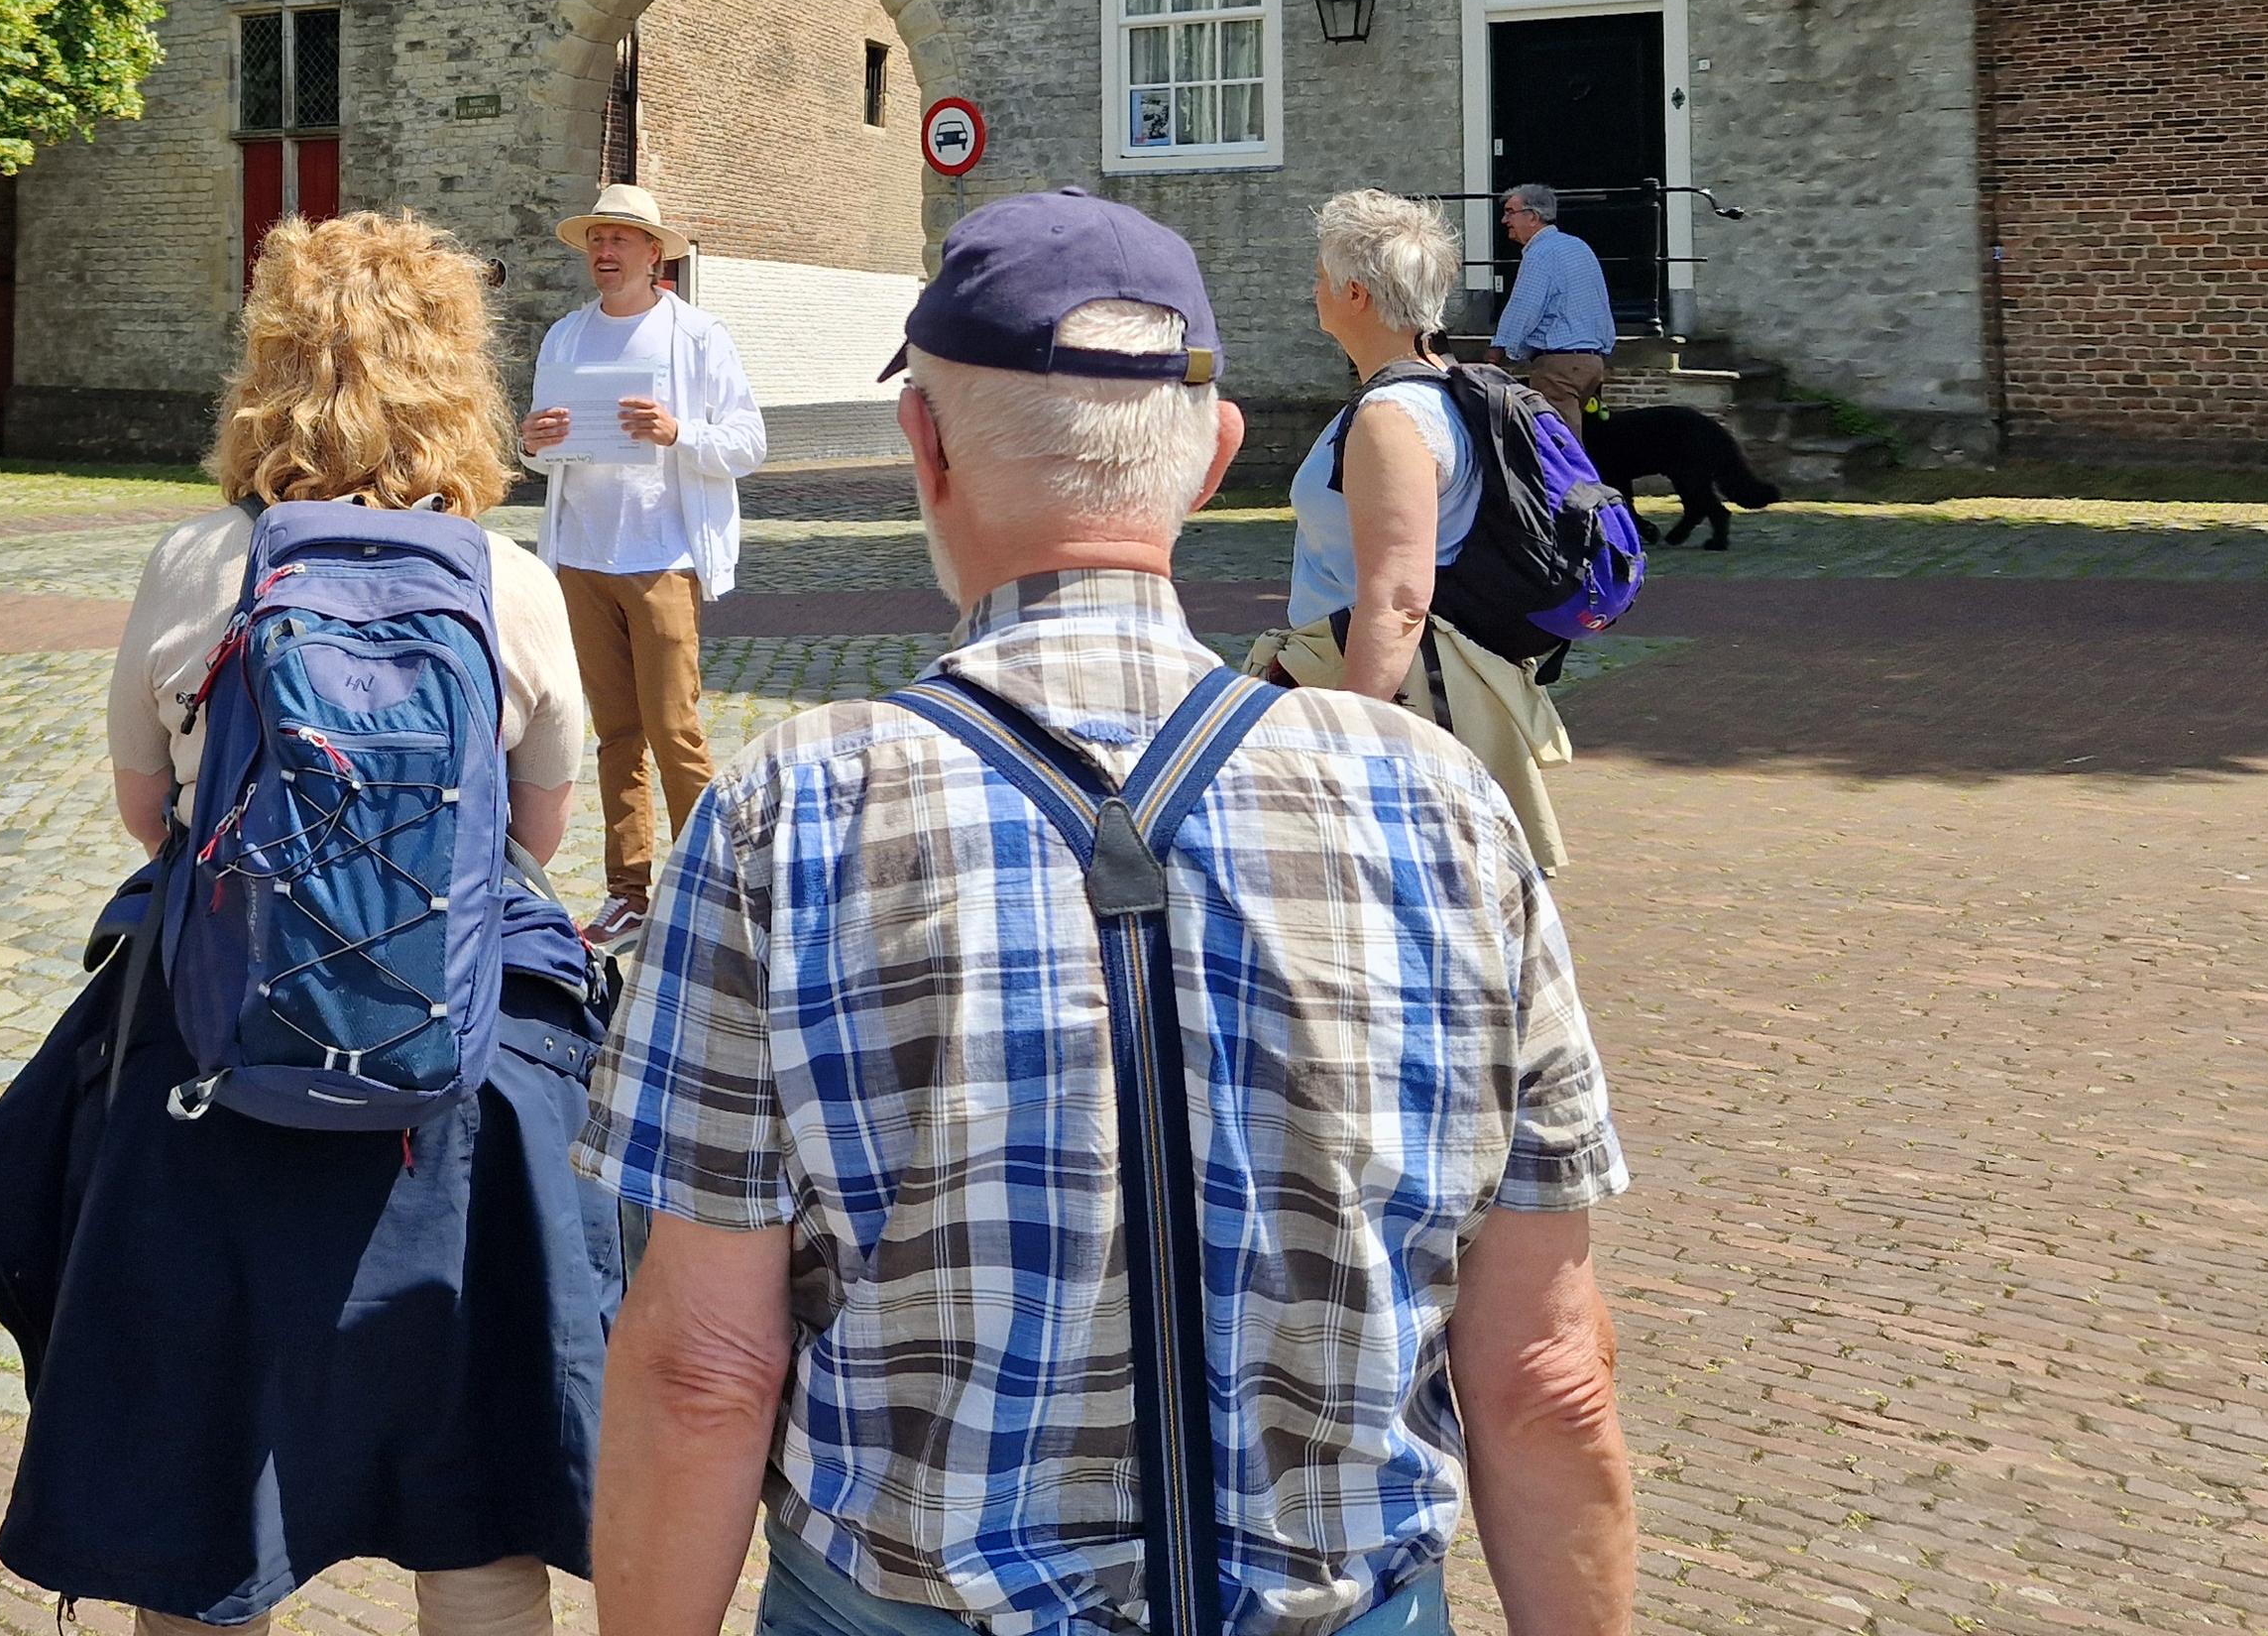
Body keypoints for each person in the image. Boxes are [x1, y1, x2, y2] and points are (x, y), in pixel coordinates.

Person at [583, 186, 1637, 1636]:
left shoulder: (789, 812)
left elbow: (701, 1366)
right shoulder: (1444, 807)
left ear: (926, 447)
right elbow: (1543, 1371)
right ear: (1211, 457)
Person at [0, 210, 610, 1636]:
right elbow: (536, 840)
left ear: (263, 373)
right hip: (454, 1097)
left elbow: (151, 819)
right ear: (463, 382)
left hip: (218, 1076)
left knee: (203, 1513)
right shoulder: (506, 581)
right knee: (479, 1503)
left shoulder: (199, 562)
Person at [1275, 188, 1574, 871]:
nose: (1313, 288)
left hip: (1389, 690)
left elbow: (1400, 595)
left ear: (1354, 294)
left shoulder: (1390, 416)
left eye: (1320, 275)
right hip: (1409, 680)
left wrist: (1354, 736)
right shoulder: (1448, 390)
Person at [518, 180, 765, 953]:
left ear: (656, 253)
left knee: (674, 730)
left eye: (621, 238)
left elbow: (748, 445)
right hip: (581, 558)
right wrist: (532, 441)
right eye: (597, 237)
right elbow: (537, 455)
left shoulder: (695, 337)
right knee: (616, 735)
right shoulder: (565, 336)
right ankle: (627, 896)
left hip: (664, 558)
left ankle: (707, 893)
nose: (604, 250)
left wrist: (677, 431)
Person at [1492, 183, 1617, 434]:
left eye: (1509, 212)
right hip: (1591, 363)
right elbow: (1599, 304)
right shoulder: (1578, 247)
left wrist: (1499, 349)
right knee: (1574, 436)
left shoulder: (1540, 254)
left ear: (1533, 217)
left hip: (1559, 366)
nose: (1505, 220)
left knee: (1560, 446)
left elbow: (1524, 307)